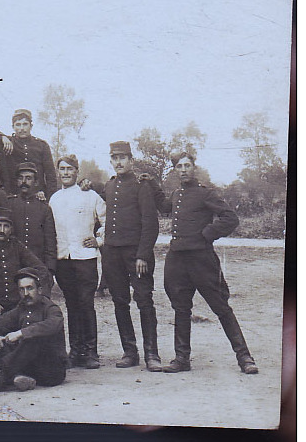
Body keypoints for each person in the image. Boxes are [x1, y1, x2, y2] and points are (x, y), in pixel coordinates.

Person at [151, 151, 258, 375]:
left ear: (193, 167)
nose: (183, 170)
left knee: (221, 307)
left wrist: (207, 234)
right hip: (177, 259)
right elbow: (163, 206)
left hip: (202, 259)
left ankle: (245, 357)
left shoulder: (205, 193)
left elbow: (230, 217)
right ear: (175, 170)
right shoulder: (176, 193)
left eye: (187, 165)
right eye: (179, 166)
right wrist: (151, 183)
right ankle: (181, 359)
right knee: (180, 308)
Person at [101, 141, 162, 371]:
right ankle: (129, 351)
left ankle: (151, 354)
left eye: (123, 158)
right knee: (119, 302)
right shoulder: (109, 185)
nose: (118, 162)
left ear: (131, 160)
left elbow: (150, 223)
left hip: (136, 255)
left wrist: (143, 255)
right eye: (114, 158)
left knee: (145, 301)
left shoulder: (141, 186)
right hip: (112, 254)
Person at [49, 154, 106, 369]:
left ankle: (91, 352)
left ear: (76, 171)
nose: (65, 173)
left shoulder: (90, 195)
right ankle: (76, 350)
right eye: (62, 169)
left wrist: (99, 239)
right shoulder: (54, 199)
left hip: (85, 258)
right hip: (63, 258)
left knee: (85, 304)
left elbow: (107, 220)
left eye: (69, 169)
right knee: (71, 305)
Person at [0, 269, 67, 393]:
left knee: (32, 338)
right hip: (30, 367)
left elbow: (52, 324)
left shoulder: (51, 308)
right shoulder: (21, 308)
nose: (26, 293)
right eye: (21, 289)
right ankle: (19, 378)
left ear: (39, 290)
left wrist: (21, 333)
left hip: (51, 370)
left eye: (30, 288)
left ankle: (2, 376)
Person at [0, 207, 51, 313]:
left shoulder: (17, 247)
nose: (2, 230)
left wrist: (37, 296)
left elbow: (41, 269)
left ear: (11, 229)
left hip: (18, 304)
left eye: (6, 226)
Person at [6, 161, 58, 294]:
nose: (24, 182)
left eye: (28, 178)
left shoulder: (44, 208)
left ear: (36, 182)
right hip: (14, 266)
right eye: (20, 178)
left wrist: (49, 271)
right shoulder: (9, 204)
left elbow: (50, 241)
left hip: (38, 267)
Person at [1, 108, 57, 199]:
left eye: (25, 124)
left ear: (31, 126)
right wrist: (1, 136)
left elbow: (51, 176)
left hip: (38, 196)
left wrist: (49, 197)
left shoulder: (42, 145)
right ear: (13, 127)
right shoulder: (8, 143)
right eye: (18, 125)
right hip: (14, 196)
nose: (22, 128)